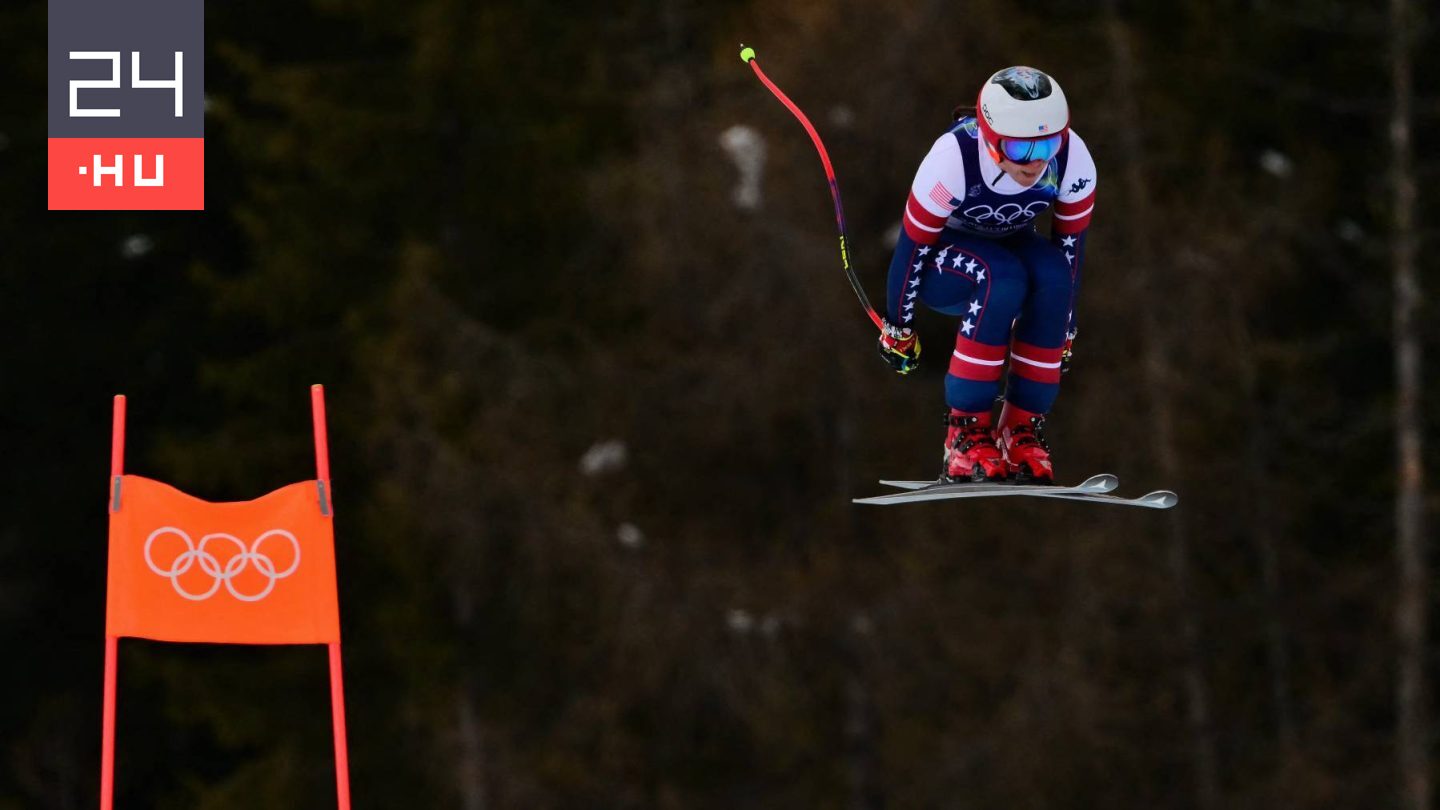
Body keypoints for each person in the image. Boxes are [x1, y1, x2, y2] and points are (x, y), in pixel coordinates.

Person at [876, 66, 1096, 484]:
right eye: (1018, 148)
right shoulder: (953, 158)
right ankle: (965, 435)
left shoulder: (1071, 159)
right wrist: (898, 327)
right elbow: (912, 248)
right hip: (945, 269)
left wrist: (1065, 329)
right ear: (992, 139)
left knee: (1052, 278)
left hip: (1011, 250)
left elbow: (1070, 251)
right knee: (1002, 276)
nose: (1034, 164)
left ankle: (1020, 431)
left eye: (1047, 144)